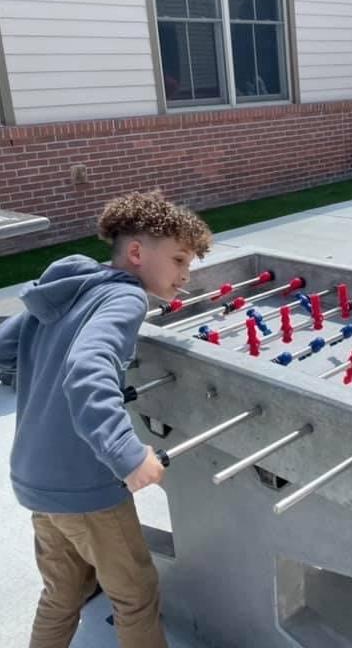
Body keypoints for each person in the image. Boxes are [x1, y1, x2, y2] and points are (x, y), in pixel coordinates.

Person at [0, 192, 212, 647]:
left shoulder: (66, 290)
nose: (184, 274)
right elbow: (86, 371)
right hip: (85, 487)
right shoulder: (126, 300)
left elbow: (5, 346)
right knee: (135, 593)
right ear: (137, 253)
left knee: (62, 592)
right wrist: (128, 454)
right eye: (177, 259)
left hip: (35, 477)